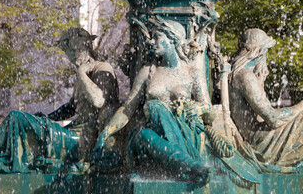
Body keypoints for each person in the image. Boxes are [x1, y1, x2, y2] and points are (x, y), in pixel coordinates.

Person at [93, 16, 259, 186]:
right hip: (152, 135)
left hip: (185, 133)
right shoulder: (147, 72)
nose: (151, 41)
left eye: (157, 37)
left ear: (172, 39)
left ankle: (184, 164)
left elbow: (209, 113)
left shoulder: (192, 72)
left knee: (151, 113)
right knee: (146, 127)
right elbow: (128, 109)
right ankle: (192, 167)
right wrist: (106, 131)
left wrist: (199, 109)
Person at [0, 28, 119, 174]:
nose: (72, 55)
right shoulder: (81, 74)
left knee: (16, 117)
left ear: (87, 47)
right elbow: (71, 107)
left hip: (84, 141)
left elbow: (99, 100)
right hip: (72, 133)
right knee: (25, 126)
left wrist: (82, 73)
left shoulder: (102, 68)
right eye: (68, 51)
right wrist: (47, 118)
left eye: (76, 49)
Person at [229, 28, 303, 174]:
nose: (266, 56)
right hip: (264, 143)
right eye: (266, 51)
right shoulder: (246, 77)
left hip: (262, 136)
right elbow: (273, 119)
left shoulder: (241, 74)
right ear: (259, 52)